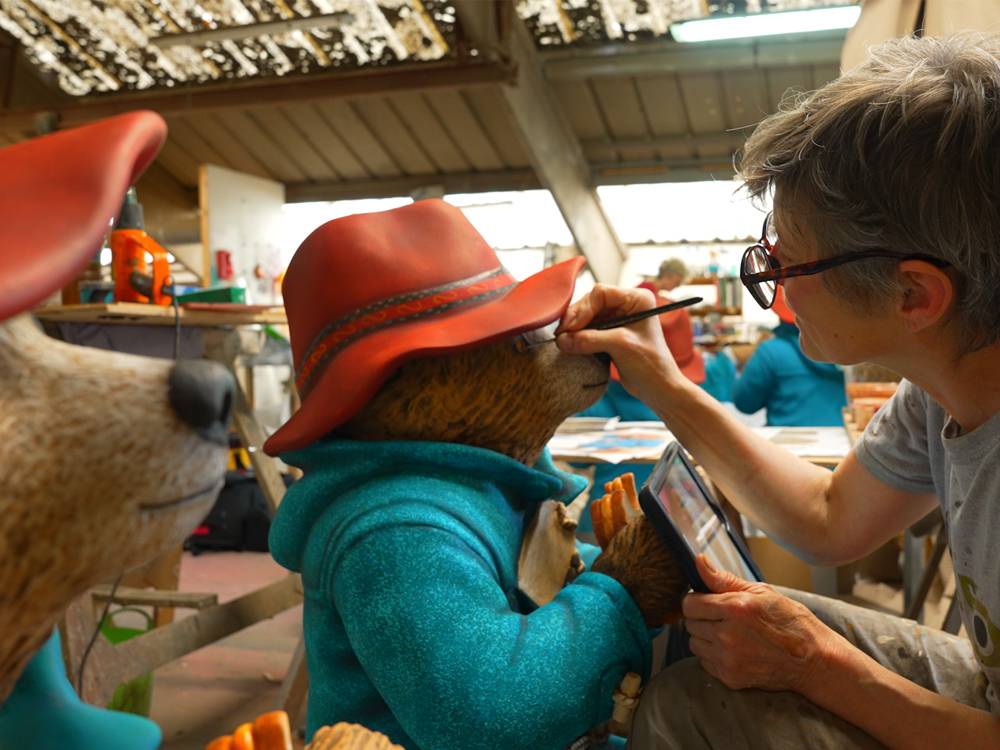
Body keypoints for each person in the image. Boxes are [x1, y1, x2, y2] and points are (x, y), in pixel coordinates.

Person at [555, 34, 1000, 748]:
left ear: (914, 293)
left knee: (687, 704)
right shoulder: (940, 389)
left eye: (789, 259)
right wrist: (662, 382)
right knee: (717, 642)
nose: (775, 282)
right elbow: (828, 519)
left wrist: (818, 667)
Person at [732, 286, 847, 426]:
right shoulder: (847, 347)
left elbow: (744, 403)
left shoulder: (771, 352)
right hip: (845, 437)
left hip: (787, 442)